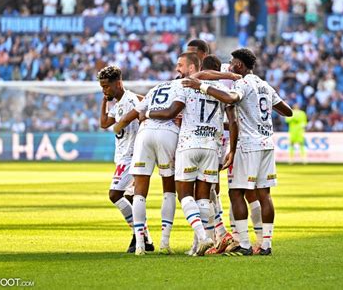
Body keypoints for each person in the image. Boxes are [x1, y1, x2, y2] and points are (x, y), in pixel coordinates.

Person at [181, 48, 293, 256]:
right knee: (264, 194)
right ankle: (266, 245)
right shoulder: (265, 85)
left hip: (247, 145)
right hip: (267, 144)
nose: (229, 67)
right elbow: (288, 111)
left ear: (239, 66)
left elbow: (231, 98)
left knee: (236, 192)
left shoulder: (243, 83)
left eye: (232, 63)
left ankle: (244, 244)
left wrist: (202, 86)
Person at [141, 53, 238, 256]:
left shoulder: (186, 86)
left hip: (188, 144)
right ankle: (199, 247)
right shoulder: (220, 90)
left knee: (185, 195)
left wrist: (148, 113)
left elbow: (174, 110)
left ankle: (203, 238)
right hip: (211, 146)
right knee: (203, 197)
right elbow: (231, 119)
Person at [111, 79, 183, 255]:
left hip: (145, 135)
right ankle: (164, 243)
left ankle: (140, 245)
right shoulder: (184, 89)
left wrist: (117, 127)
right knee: (168, 191)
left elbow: (131, 115)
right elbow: (175, 113)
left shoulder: (155, 89)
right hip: (168, 134)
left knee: (139, 193)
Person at [98, 65, 153, 253]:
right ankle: (144, 238)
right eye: (102, 87)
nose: (104, 90)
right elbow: (104, 123)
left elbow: (144, 110)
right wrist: (104, 100)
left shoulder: (130, 100)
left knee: (115, 195)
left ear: (118, 83)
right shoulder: (120, 103)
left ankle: (141, 237)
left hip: (131, 157)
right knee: (130, 198)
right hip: (123, 156)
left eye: (106, 86)